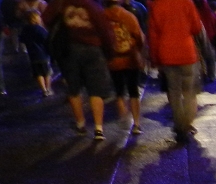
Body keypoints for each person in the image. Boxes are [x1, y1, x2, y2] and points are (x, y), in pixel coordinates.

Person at [44, 0, 115, 136]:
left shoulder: (61, 3)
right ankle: (99, 128)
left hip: (69, 49)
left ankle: (80, 124)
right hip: (93, 49)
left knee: (74, 88)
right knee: (96, 90)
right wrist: (109, 52)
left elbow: (46, 18)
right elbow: (104, 30)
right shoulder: (92, 6)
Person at [148, 0, 203, 141]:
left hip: (167, 54)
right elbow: (197, 27)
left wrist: (154, 59)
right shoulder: (187, 3)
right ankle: (188, 122)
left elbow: (153, 36)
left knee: (174, 93)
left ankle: (180, 127)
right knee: (189, 92)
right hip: (187, 53)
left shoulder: (157, 6)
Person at [103, 0, 144, 132]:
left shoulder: (102, 16)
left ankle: (124, 115)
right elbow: (138, 36)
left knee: (119, 91)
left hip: (113, 60)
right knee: (133, 91)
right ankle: (136, 123)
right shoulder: (129, 16)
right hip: (130, 58)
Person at [20, 9, 51, 93]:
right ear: (35, 18)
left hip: (32, 55)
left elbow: (22, 39)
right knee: (47, 72)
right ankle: (48, 88)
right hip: (44, 55)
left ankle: (43, 90)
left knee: (38, 73)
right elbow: (47, 39)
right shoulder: (40, 29)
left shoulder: (25, 29)